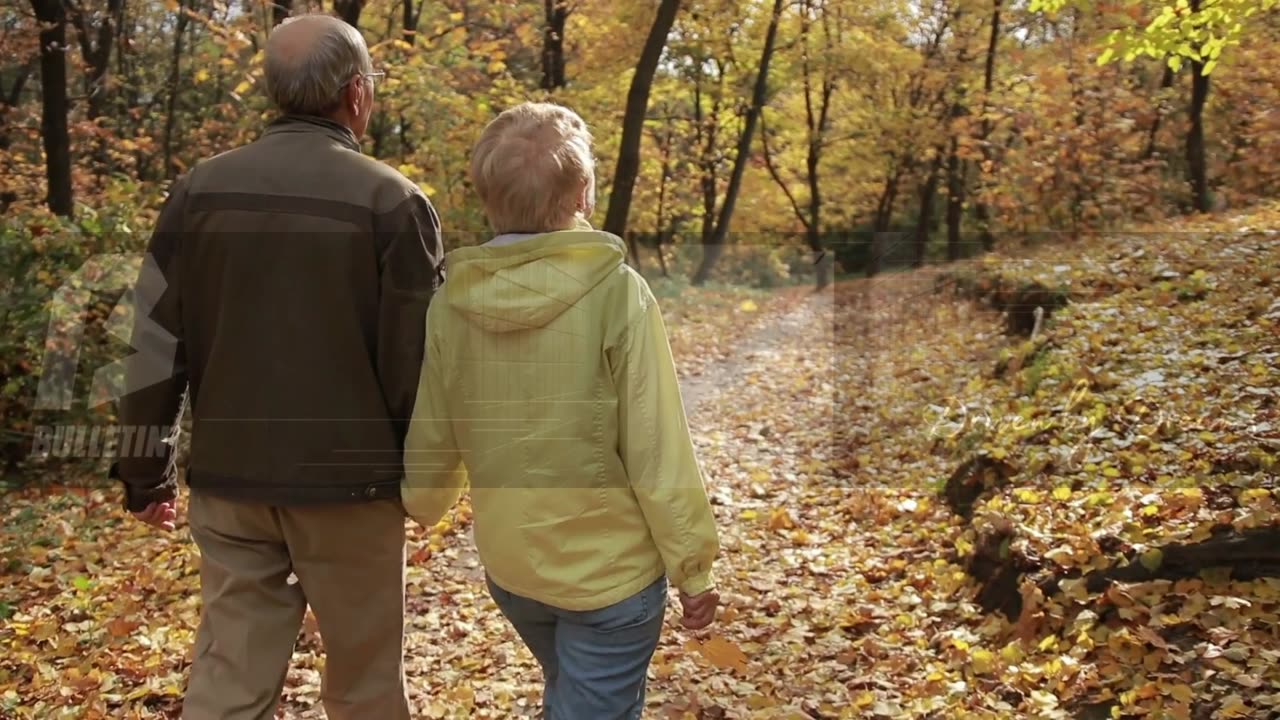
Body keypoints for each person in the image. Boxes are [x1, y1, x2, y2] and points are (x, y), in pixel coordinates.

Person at [113, 14, 442, 720]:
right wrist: (423, 476)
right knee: (366, 688)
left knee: (229, 682)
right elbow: (413, 363)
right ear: (357, 94)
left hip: (231, 483)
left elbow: (153, 341)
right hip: (353, 488)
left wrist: (144, 470)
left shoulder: (198, 192)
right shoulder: (393, 200)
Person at [402, 102, 720, 720]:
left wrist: (422, 498)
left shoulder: (451, 302)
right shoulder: (616, 290)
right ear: (583, 193)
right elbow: (657, 444)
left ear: (488, 195)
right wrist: (693, 566)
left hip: (514, 571)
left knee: (575, 696)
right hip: (609, 579)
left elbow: (436, 426)